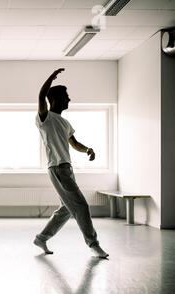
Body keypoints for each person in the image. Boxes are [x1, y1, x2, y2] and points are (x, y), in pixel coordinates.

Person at [33, 68, 109, 259]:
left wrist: (88, 150)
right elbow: (42, 94)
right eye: (66, 96)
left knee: (67, 208)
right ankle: (93, 244)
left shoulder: (65, 122)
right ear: (56, 99)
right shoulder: (45, 117)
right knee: (81, 206)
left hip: (66, 168)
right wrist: (51, 77)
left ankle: (42, 238)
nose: (69, 100)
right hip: (58, 168)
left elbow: (74, 143)